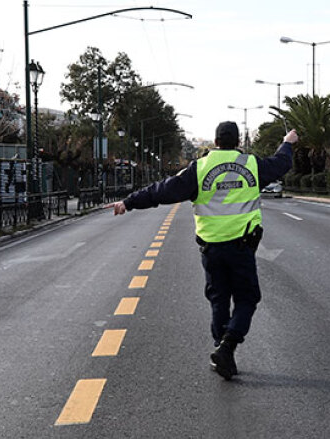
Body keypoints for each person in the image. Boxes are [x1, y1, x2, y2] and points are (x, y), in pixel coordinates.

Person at [105, 121, 298, 380]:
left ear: (215, 142)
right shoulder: (251, 164)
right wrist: (287, 142)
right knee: (247, 298)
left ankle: (222, 352)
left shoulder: (200, 168)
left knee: (219, 300)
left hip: (211, 249)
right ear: (237, 141)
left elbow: (162, 191)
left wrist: (128, 202)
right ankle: (227, 347)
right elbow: (281, 164)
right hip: (242, 247)